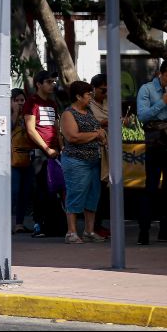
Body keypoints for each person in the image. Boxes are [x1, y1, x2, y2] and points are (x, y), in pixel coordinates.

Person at [136, 59, 167, 245]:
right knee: (151, 188)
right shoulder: (147, 90)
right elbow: (143, 116)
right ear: (160, 74)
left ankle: (165, 230)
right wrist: (164, 101)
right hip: (155, 146)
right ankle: (144, 231)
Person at [60, 81, 107, 244]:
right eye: (88, 94)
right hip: (76, 161)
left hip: (94, 160)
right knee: (75, 194)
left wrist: (100, 136)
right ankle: (71, 232)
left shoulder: (89, 112)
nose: (91, 97)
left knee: (93, 196)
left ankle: (89, 231)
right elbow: (73, 136)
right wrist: (96, 134)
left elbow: (96, 131)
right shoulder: (68, 114)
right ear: (78, 96)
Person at [24, 70, 62, 239]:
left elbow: (56, 127)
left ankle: (53, 225)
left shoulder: (53, 103)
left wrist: (60, 148)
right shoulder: (32, 102)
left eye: (53, 82)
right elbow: (30, 129)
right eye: (48, 81)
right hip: (40, 152)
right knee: (40, 189)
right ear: (38, 84)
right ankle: (39, 224)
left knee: (54, 189)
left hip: (54, 152)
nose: (52, 84)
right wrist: (46, 150)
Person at [89, 74, 112, 238]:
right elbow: (91, 122)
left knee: (104, 191)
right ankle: (91, 227)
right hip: (92, 151)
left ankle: (98, 225)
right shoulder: (87, 104)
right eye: (103, 91)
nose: (106, 94)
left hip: (107, 150)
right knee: (93, 190)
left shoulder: (108, 103)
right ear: (94, 89)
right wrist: (107, 121)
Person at [10, 88, 34, 234]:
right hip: (13, 159)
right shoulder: (7, 115)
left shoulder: (27, 116)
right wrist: (14, 112)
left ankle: (19, 223)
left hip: (27, 157)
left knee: (25, 192)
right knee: (14, 190)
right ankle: (6, 222)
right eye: (16, 100)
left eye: (22, 100)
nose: (20, 103)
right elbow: (8, 128)